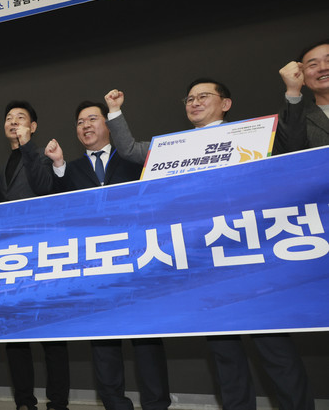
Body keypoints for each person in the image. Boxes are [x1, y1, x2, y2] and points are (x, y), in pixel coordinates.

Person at [104, 81, 315, 410]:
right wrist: (115, 111)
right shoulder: (174, 147)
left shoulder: (252, 136)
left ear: (225, 103)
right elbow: (130, 150)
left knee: (274, 347)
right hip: (205, 263)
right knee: (224, 352)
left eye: (203, 96)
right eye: (189, 98)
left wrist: (293, 95)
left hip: (251, 256)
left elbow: (294, 145)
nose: (195, 102)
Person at [44, 101, 170, 410]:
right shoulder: (70, 169)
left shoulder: (133, 159)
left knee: (146, 338)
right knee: (103, 340)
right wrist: (58, 165)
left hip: (138, 259)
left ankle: (156, 403)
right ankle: (115, 403)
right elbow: (59, 207)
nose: (85, 125)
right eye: (80, 122)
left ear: (108, 125)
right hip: (94, 265)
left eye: (92, 119)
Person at [0, 101, 70, 410]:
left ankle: (58, 402)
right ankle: (24, 401)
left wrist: (27, 146)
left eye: (20, 118)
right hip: (12, 259)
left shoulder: (42, 156)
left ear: (33, 126)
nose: (13, 122)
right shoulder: (3, 164)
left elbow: (43, 188)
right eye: (9, 118)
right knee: (15, 338)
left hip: (42, 257)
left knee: (52, 338)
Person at [276, 39, 329, 152]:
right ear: (302, 77)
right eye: (313, 64)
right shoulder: (300, 121)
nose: (323, 67)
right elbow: (292, 149)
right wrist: (293, 90)